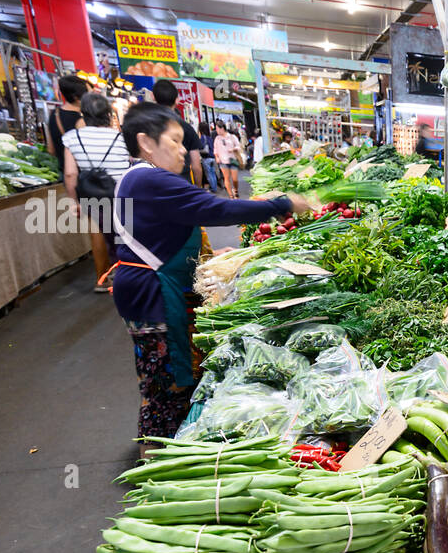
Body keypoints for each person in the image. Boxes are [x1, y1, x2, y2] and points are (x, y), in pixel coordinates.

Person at [108, 103, 313, 455]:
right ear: (145, 142)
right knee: (168, 376)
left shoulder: (137, 177)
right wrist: (280, 204)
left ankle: (160, 444)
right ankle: (157, 457)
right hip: (154, 291)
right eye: (173, 141)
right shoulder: (149, 178)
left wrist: (200, 259)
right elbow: (214, 208)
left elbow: (159, 230)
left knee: (161, 370)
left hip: (147, 284)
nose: (183, 151)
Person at [62, 92, 131, 292]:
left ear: (84, 114)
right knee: (125, 236)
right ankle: (128, 277)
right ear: (109, 113)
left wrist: (73, 201)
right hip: (122, 193)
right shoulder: (121, 137)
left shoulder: (71, 138)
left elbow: (69, 174)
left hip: (92, 196)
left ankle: (103, 280)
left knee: (98, 234)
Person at [150, 79, 202, 185]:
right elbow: (196, 167)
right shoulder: (187, 128)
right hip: (183, 184)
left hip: (156, 186)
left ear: (153, 97)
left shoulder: (147, 127)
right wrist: (197, 190)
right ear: (177, 100)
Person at [47, 74, 87, 173]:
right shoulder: (81, 121)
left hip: (64, 172)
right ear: (76, 98)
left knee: (53, 190)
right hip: (81, 176)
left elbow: (51, 150)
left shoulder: (54, 115)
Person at [213, 122, 244, 198]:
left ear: (222, 128)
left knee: (235, 179)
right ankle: (231, 195)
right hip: (223, 161)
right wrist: (217, 157)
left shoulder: (232, 137)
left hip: (232, 160)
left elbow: (239, 146)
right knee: (226, 178)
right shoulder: (217, 138)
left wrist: (233, 149)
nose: (216, 130)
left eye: (217, 128)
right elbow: (215, 150)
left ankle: (235, 190)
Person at [197, 121, 219, 192]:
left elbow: (201, 147)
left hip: (206, 158)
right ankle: (214, 187)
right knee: (212, 173)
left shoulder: (203, 137)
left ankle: (213, 188)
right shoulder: (209, 137)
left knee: (209, 174)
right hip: (212, 157)